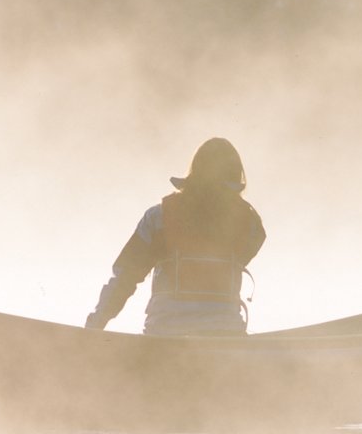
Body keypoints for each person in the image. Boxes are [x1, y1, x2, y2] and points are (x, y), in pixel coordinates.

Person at [85, 137, 265, 336]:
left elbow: (126, 276)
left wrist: (96, 322)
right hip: (225, 332)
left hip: (165, 332)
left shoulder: (158, 218)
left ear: (194, 172)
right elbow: (248, 249)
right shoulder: (250, 223)